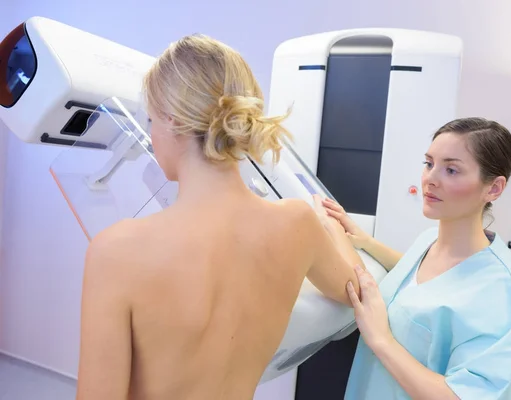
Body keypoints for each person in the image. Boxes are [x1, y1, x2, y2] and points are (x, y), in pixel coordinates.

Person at [75, 34, 363, 400]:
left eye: (150, 119)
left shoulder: (116, 251)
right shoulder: (299, 224)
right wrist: (335, 229)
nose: (151, 133)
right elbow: (356, 289)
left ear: (172, 119)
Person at [322, 117, 511, 400]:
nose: (430, 179)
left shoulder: (501, 291)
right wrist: (366, 242)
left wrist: (381, 339)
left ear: (494, 188)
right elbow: (422, 282)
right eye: (429, 164)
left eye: (451, 170)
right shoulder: (428, 241)